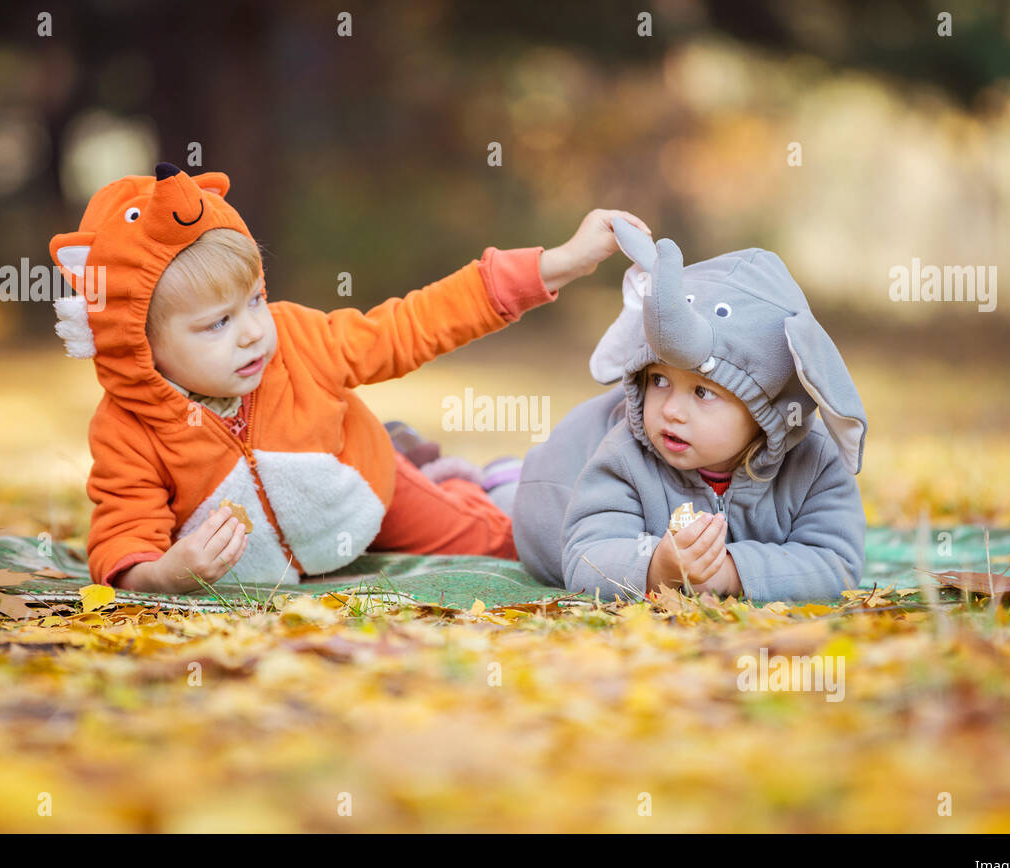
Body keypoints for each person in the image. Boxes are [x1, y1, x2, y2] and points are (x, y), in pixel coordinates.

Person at [49, 160, 648, 593]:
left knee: (508, 540)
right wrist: (166, 573)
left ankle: (467, 480)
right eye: (216, 324)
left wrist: (561, 262)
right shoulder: (130, 428)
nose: (254, 332)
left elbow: (415, 323)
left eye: (255, 300)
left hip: (362, 488)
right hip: (274, 547)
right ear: (139, 345)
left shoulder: (301, 342)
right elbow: (123, 538)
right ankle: (442, 468)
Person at [512, 220, 869, 603]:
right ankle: (504, 479)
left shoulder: (814, 465)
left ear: (766, 408)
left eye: (702, 391)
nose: (671, 411)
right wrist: (657, 569)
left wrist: (731, 572)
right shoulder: (624, 455)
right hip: (557, 490)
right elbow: (586, 557)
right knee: (512, 513)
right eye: (659, 381)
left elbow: (836, 562)